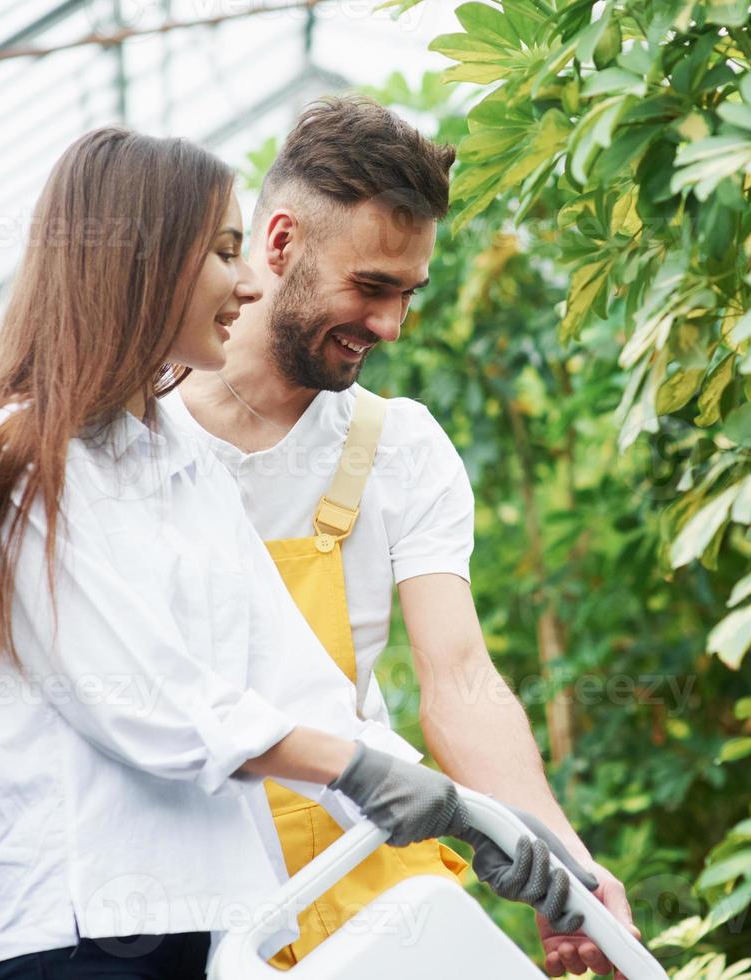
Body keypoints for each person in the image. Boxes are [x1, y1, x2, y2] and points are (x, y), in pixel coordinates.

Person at [0, 127, 574, 980]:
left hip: (212, 925)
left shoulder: (169, 459)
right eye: (227, 252)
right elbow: (145, 700)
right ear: (139, 264)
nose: (249, 281)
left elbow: (291, 674)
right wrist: (358, 770)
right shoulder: (21, 451)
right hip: (69, 927)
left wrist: (487, 822)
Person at [165, 95, 636, 977]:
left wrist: (559, 861)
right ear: (277, 244)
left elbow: (458, 679)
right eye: (371, 287)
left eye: (408, 293)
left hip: (368, 868)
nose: (390, 325)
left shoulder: (396, 447)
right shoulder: (141, 442)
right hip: (199, 888)